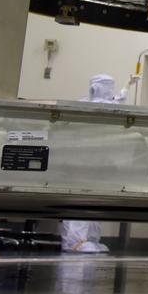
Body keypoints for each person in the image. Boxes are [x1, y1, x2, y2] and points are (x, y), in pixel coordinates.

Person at [60, 74, 126, 253]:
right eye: (107, 88)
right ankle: (74, 241)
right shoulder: (83, 104)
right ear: (96, 87)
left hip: (97, 163)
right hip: (81, 164)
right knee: (80, 201)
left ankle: (91, 238)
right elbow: (99, 108)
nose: (110, 92)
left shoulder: (102, 105)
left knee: (95, 201)